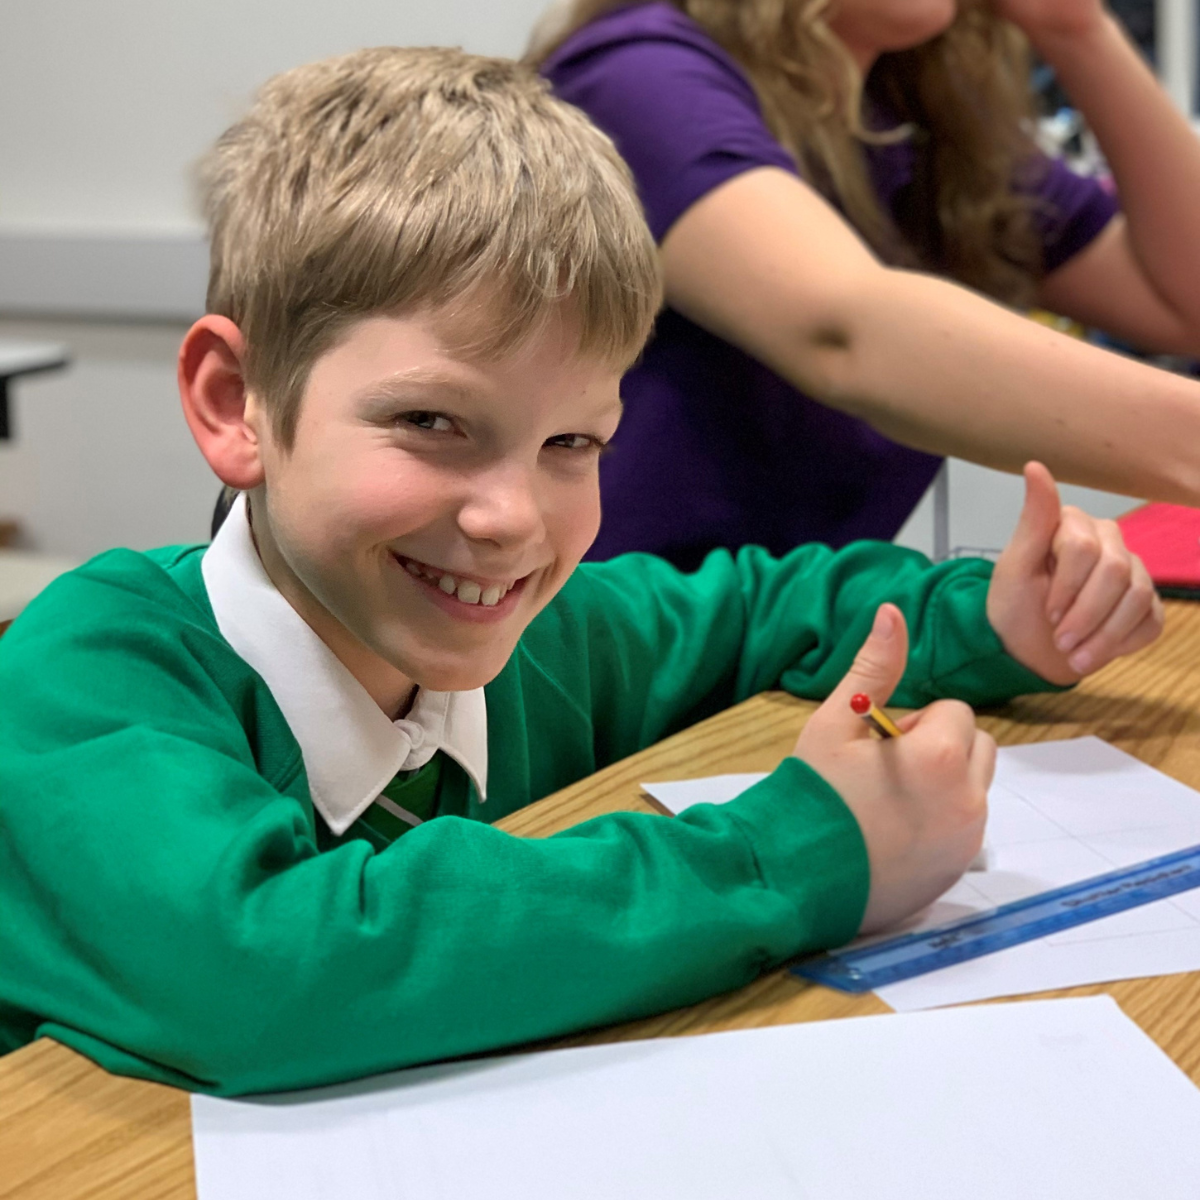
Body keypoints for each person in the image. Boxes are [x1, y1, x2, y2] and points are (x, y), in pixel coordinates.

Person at [0, 47, 1161, 1097]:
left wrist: (995, 618)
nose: (510, 519)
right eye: (430, 421)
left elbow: (764, 610)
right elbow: (260, 968)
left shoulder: (544, 638)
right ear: (232, 404)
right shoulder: (93, 670)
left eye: (574, 445)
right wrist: (792, 853)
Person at [535, 1, 1200, 568]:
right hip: (610, 667)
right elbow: (842, 331)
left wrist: (1075, 28)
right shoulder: (634, 76)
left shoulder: (908, 124)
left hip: (776, 648)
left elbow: (1182, 303)